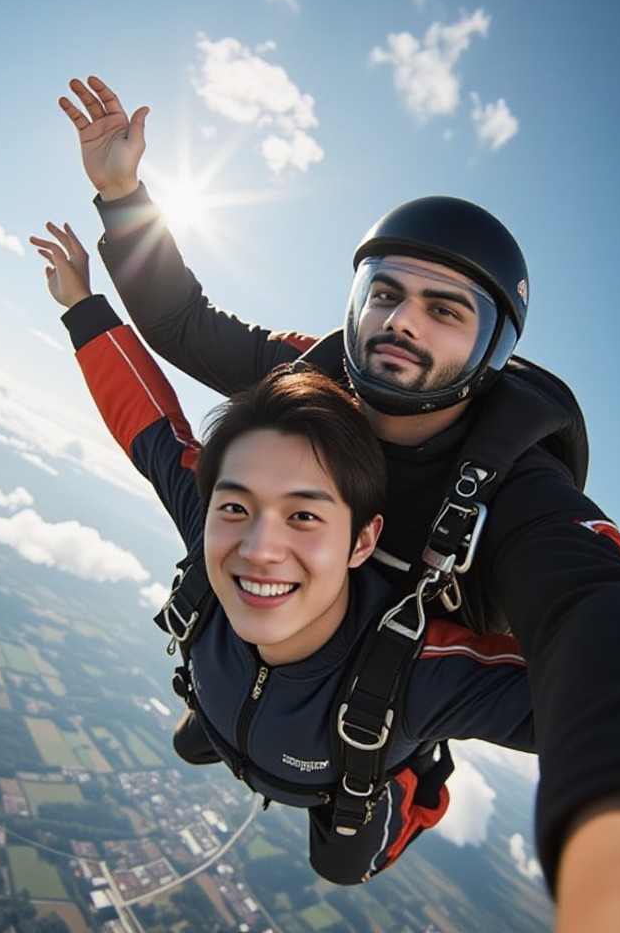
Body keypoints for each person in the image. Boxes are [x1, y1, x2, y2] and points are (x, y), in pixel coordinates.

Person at [55, 76, 620, 930]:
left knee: (342, 858)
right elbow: (180, 326)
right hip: (270, 649)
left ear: (493, 348)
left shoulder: (514, 490)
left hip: (384, 697)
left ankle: (410, 786)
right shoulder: (305, 387)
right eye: (387, 293)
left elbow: (596, 609)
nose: (403, 322)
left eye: (445, 310)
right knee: (207, 719)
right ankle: (227, 722)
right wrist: (123, 195)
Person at [32, 222, 536, 884]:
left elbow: (581, 701)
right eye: (238, 505)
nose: (260, 547)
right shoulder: (215, 524)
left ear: (362, 541)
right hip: (232, 711)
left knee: (342, 863)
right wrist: (83, 307)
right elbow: (151, 432)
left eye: (304, 515)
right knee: (195, 741)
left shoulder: (414, 677)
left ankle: (422, 779)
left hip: (350, 772)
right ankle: (232, 720)